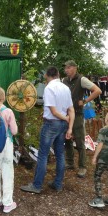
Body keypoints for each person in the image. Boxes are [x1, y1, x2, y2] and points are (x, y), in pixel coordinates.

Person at [20, 66, 74, 194]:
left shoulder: (49, 88)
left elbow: (54, 111)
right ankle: (58, 183)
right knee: (60, 154)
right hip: (62, 126)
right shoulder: (65, 88)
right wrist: (69, 127)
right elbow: (71, 109)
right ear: (58, 74)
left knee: (43, 155)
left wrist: (65, 119)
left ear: (46, 76)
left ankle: (37, 185)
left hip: (51, 124)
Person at [63, 60, 102, 178]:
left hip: (78, 114)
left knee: (80, 141)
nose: (66, 70)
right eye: (65, 68)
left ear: (75, 68)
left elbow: (98, 91)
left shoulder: (82, 79)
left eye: (69, 67)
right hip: (66, 115)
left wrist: (85, 101)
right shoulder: (64, 80)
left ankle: (82, 167)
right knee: (67, 140)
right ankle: (70, 163)